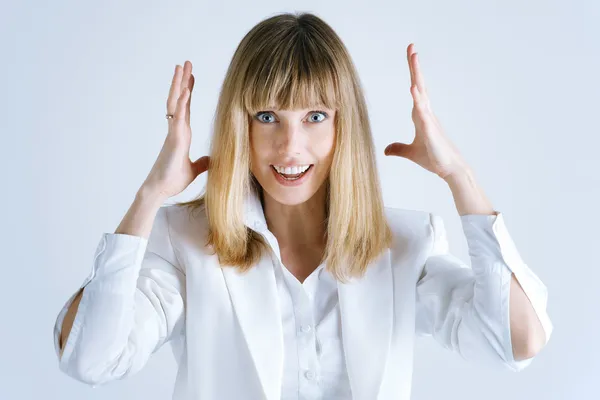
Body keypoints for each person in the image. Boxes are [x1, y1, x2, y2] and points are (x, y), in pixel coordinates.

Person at [53, 12, 553, 400]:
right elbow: (91, 360)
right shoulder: (183, 238)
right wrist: (149, 196)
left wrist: (457, 176)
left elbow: (514, 342)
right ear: (239, 124)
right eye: (268, 115)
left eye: (315, 115)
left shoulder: (405, 245)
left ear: (343, 126)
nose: (290, 147)